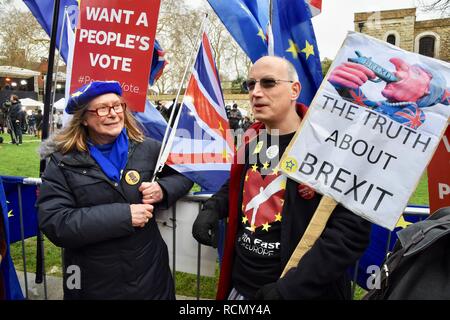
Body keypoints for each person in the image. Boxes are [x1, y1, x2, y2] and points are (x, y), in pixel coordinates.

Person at [192, 56, 371, 300]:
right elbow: (241, 185)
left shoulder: (331, 146)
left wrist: (291, 289)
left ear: (294, 90)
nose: (255, 92)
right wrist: (212, 208)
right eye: (250, 84)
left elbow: (350, 233)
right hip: (241, 288)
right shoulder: (253, 138)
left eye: (268, 83)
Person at [38, 81, 193, 300]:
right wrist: (124, 215)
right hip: (92, 279)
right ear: (83, 118)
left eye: (117, 106)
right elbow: (56, 222)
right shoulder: (62, 160)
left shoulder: (148, 147)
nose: (113, 114)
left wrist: (163, 189)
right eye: (102, 109)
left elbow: (185, 174)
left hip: (149, 273)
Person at [328, 57, 449, 129]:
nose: (396, 72)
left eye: (416, 72)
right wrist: (341, 84)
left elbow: (379, 129)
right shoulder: (380, 105)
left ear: (427, 91)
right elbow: (362, 105)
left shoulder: (414, 115)